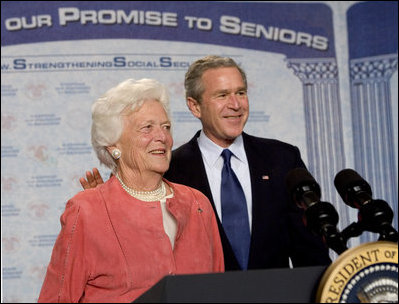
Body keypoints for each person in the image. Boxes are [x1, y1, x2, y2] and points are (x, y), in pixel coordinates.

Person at [81, 56, 331, 271]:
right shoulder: (169, 168)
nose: (235, 105)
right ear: (194, 106)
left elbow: (310, 253)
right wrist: (107, 213)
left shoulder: (282, 159)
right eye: (222, 95)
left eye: (241, 93)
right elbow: (142, 257)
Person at [39, 78, 224, 303]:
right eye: (147, 128)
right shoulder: (86, 211)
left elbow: (217, 292)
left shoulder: (198, 204)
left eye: (165, 127)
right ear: (113, 145)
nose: (162, 137)